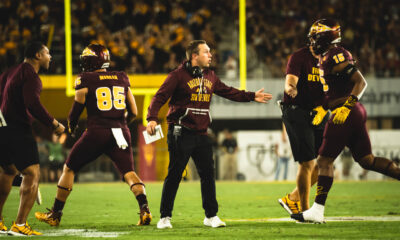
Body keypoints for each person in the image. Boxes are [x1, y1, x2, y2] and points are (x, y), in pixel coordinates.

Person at [146, 40, 273, 229]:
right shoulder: (177, 76)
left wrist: (251, 96)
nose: (211, 55)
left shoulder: (211, 76)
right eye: (206, 52)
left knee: (208, 175)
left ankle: (211, 216)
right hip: (181, 132)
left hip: (201, 133)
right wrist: (152, 118)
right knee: (174, 174)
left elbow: (229, 92)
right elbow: (160, 97)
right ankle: (165, 217)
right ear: (194, 56)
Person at [291, 19, 400, 223]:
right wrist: (325, 107)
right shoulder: (327, 55)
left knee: (324, 161)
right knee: (367, 160)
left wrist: (347, 106)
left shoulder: (336, 54)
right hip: (351, 112)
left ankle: (317, 210)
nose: (312, 40)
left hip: (347, 113)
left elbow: (360, 82)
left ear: (324, 37)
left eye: (315, 36)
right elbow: (335, 90)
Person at [35, 44, 152, 227]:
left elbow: (76, 109)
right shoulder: (121, 76)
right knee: (129, 172)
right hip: (121, 131)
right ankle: (145, 209)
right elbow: (134, 111)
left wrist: (71, 127)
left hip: (97, 131)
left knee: (69, 168)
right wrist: (120, 125)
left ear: (90, 60)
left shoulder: (85, 78)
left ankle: (55, 214)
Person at [0, 41, 65, 236]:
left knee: (8, 171)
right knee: (32, 173)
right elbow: (33, 104)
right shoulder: (31, 76)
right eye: (47, 53)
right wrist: (54, 124)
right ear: (37, 55)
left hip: (2, 127)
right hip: (18, 129)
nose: (50, 57)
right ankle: (20, 224)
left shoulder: (10, 72)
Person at [278, 29, 328, 215]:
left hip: (320, 112)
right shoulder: (300, 56)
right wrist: (291, 88)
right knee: (307, 163)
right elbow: (290, 81)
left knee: (325, 163)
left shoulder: (331, 58)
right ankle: (305, 211)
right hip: (297, 111)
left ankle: (291, 199)